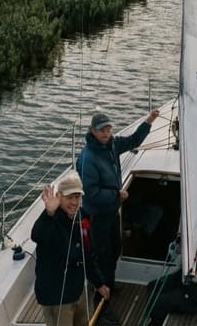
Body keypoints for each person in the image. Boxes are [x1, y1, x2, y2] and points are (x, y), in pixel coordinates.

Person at [77, 108, 160, 306]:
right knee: (102, 254)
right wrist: (117, 194)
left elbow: (133, 141)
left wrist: (148, 121)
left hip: (112, 211)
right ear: (92, 131)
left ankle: (110, 286)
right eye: (101, 130)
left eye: (108, 129)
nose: (106, 133)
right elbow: (91, 193)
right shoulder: (88, 158)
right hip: (97, 215)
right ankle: (100, 293)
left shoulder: (112, 144)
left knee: (115, 250)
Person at [31, 173, 110, 326]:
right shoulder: (50, 220)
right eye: (70, 197)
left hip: (78, 292)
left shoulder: (80, 218)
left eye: (77, 197)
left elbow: (86, 254)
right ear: (58, 196)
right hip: (57, 298)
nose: (74, 202)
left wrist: (99, 283)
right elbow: (37, 235)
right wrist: (49, 213)